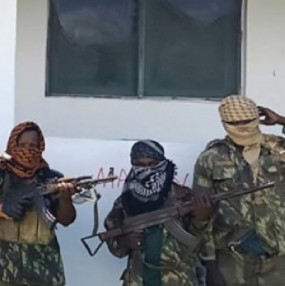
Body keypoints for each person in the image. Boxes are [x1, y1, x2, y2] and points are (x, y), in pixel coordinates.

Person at [0, 121, 75, 286]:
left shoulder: (51, 179)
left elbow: (67, 220)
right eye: (22, 145)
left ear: (40, 147)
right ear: (13, 146)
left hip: (45, 273)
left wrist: (65, 198)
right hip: (4, 272)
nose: (28, 150)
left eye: (33, 146)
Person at [193, 95, 285, 286]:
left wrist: (281, 120)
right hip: (232, 258)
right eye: (236, 123)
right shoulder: (210, 158)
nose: (242, 127)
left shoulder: (278, 149)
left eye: (247, 121)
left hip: (279, 257)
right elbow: (202, 215)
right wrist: (210, 265)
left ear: (257, 118)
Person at [104, 140, 213, 286]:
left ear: (162, 163)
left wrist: (202, 218)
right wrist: (123, 241)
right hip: (139, 279)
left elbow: (202, 245)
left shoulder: (183, 196)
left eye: (152, 163)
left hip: (179, 280)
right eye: (140, 164)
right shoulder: (126, 202)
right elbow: (116, 248)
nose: (146, 169)